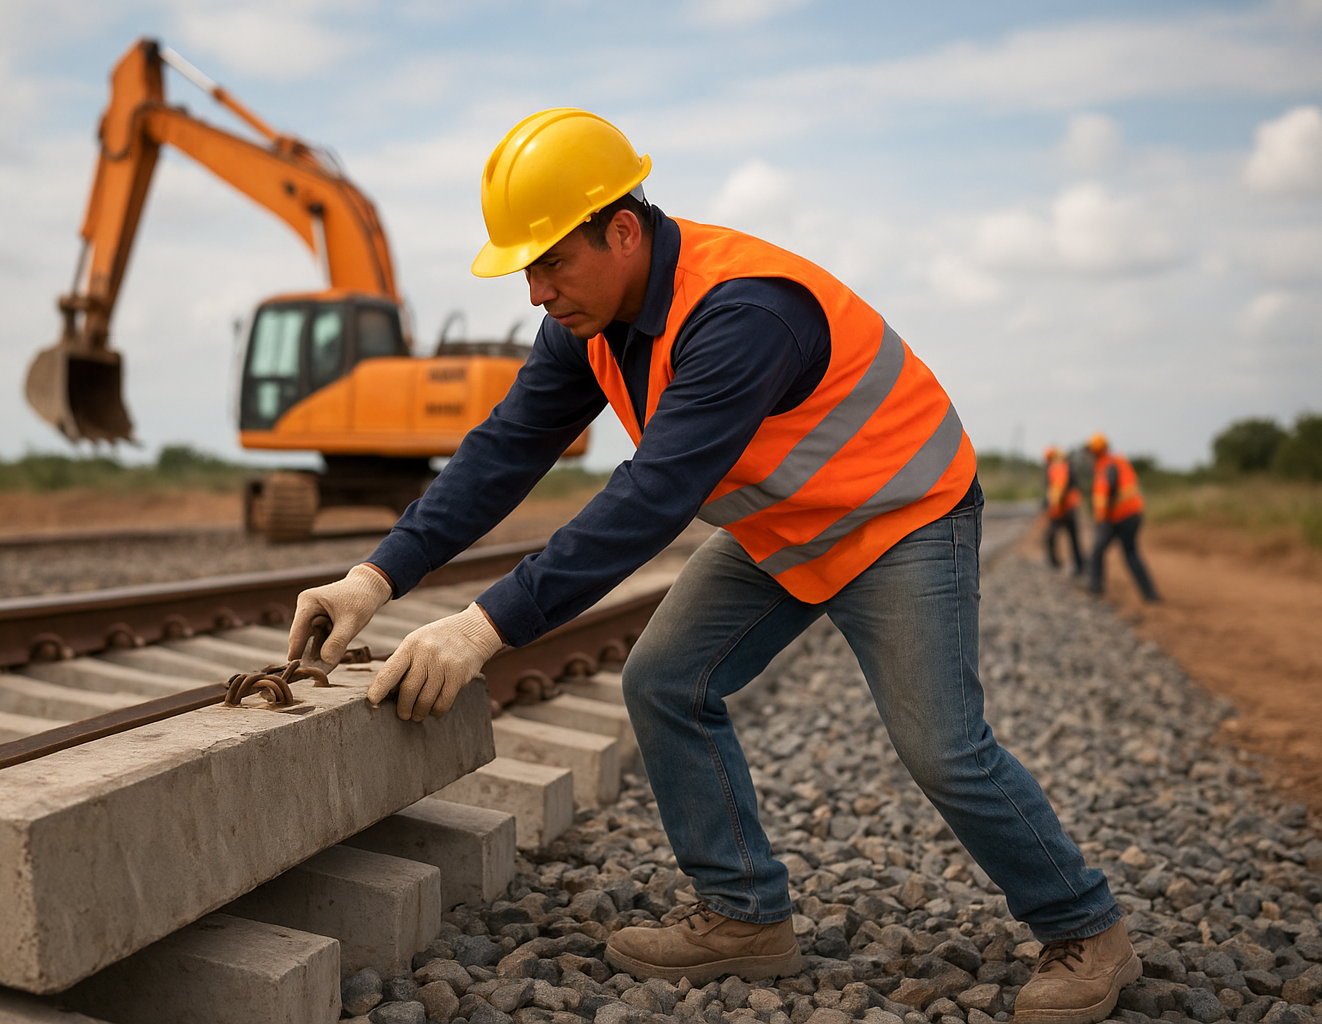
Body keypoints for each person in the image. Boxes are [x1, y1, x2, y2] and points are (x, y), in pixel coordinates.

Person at [289, 109, 1139, 1022]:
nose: (536, 291)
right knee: (664, 681)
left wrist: (480, 627)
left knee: (943, 746)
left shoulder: (743, 313)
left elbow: (650, 498)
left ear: (622, 230)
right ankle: (744, 915)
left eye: (551, 261)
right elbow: (504, 451)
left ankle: (1087, 931)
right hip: (785, 524)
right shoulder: (590, 317)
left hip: (902, 519)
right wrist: (374, 578)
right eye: (525, 268)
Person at [1086, 432, 1159, 602]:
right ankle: (1150, 595)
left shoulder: (1106, 466)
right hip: (1133, 514)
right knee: (1131, 553)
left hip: (1119, 517)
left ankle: (1095, 588)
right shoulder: (1119, 461)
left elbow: (1103, 496)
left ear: (1096, 451)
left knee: (1098, 550)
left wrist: (1100, 519)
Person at [1043, 446, 1084, 574]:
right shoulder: (1068, 468)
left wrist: (1053, 507)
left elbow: (1058, 490)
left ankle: (1056, 564)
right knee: (1073, 538)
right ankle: (1079, 565)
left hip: (1062, 509)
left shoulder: (1057, 468)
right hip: (1069, 508)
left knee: (1051, 536)